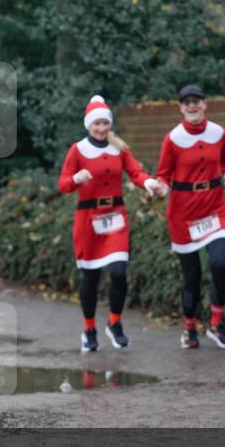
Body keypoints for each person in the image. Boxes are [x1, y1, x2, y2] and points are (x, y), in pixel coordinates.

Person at [58, 95, 167, 352]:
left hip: (115, 216)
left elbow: (136, 172)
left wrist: (149, 182)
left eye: (105, 123)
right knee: (91, 277)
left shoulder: (119, 148)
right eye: (97, 124)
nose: (101, 128)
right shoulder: (78, 150)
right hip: (88, 220)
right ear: (89, 125)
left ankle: (114, 322)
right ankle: (89, 329)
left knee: (119, 271)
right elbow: (62, 184)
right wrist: (76, 178)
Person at [155, 85, 225, 350]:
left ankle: (217, 324)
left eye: (196, 101)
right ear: (181, 108)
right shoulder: (173, 139)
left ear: (204, 104)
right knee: (192, 276)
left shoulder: (219, 133)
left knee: (220, 264)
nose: (192, 106)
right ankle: (189, 328)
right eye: (187, 102)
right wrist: (161, 187)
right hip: (184, 213)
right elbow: (163, 174)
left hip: (214, 208)